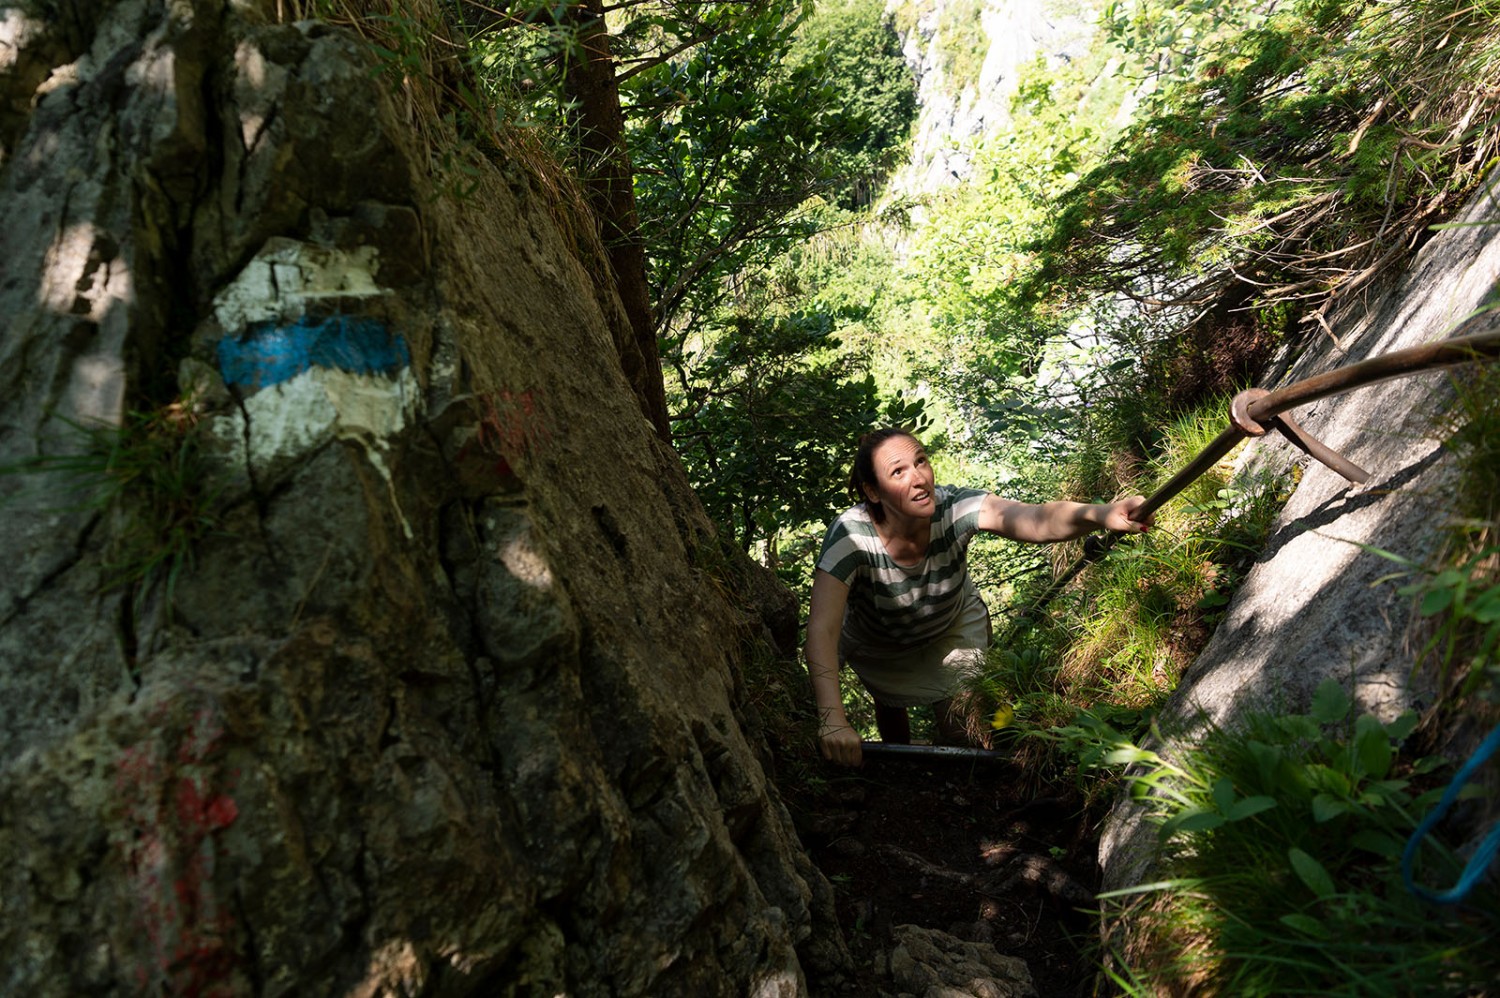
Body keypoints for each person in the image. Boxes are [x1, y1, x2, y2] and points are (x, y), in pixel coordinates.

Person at [805, 427, 1151, 767]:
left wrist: (1102, 513)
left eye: (921, 461)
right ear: (873, 491)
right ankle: (899, 770)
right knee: (888, 702)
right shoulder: (850, 535)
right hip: (878, 640)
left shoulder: (954, 505)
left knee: (960, 724)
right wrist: (833, 718)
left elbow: (1034, 518)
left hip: (949, 626)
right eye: (898, 472)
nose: (918, 478)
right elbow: (823, 628)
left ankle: (963, 782)